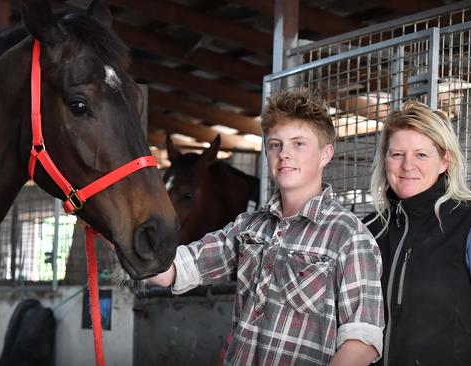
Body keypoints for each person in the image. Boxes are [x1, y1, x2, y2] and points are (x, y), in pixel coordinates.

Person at [149, 88, 384, 365]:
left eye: (299, 144)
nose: (284, 154)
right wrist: (124, 231)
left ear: (325, 154)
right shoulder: (248, 227)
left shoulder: (349, 236)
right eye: (275, 144)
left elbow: (362, 340)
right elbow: (174, 269)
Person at [364, 100, 471, 365]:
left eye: (421, 155)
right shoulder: (368, 230)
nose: (407, 166)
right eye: (397, 155)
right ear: (385, 160)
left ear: (444, 160)